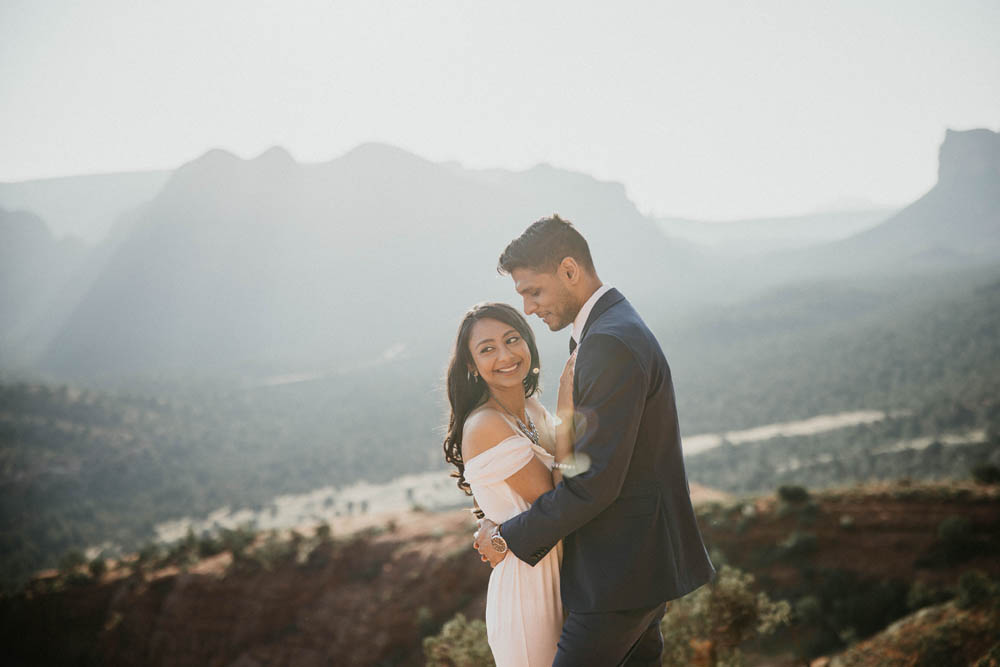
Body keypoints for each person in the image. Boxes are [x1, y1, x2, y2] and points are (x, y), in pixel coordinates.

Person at [474, 215, 716, 666]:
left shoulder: (608, 341)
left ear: (569, 270)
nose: (527, 308)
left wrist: (507, 538)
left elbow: (595, 483)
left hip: (618, 573)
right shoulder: (609, 328)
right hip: (632, 568)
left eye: (533, 291)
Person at [442, 301, 578, 666]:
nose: (505, 355)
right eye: (487, 349)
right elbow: (559, 501)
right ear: (472, 365)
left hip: (568, 577)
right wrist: (567, 412)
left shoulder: (532, 408)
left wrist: (497, 529)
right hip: (528, 593)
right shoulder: (486, 424)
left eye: (512, 339)